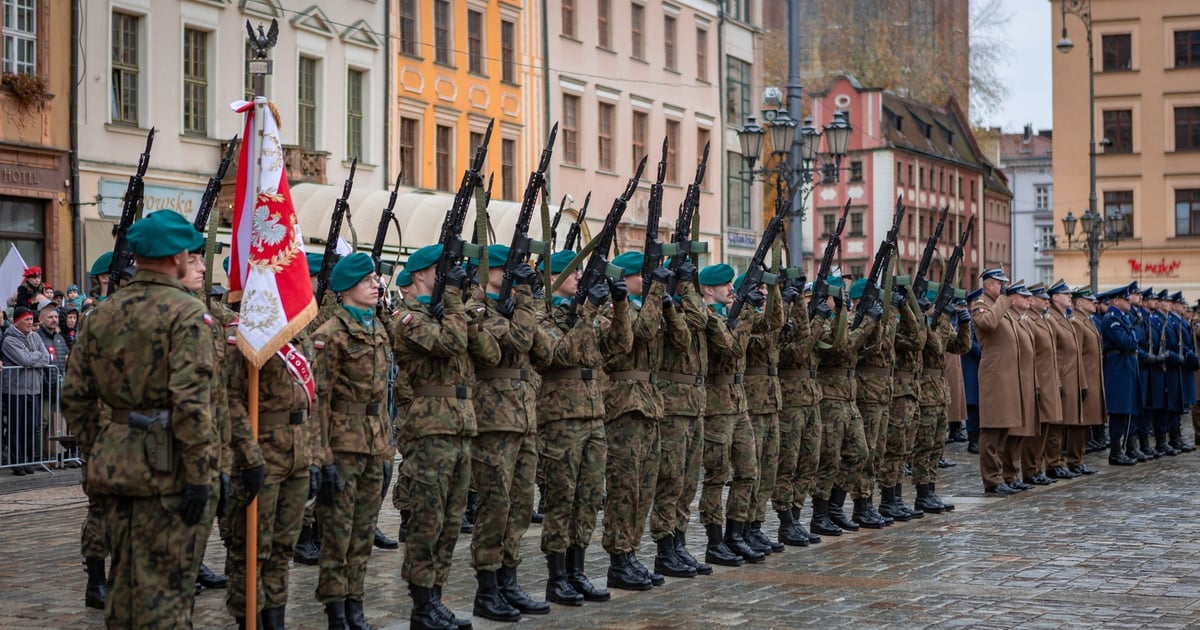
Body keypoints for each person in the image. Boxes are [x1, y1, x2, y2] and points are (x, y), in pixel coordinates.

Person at [62, 209, 219, 628]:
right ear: (177, 258)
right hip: (167, 469)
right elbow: (191, 404)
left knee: (124, 586)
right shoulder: (186, 313)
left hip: (115, 466)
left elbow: (75, 397)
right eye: (191, 253)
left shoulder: (101, 314)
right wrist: (200, 476)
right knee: (167, 590)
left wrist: (107, 443)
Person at [537, 250, 630, 606]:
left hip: (594, 416)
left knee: (589, 499)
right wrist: (588, 310)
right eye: (572, 275)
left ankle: (577, 571)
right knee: (562, 499)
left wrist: (619, 305)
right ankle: (556, 576)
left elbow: (621, 345)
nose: (580, 280)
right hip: (561, 419)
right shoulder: (543, 315)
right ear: (556, 278)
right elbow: (558, 355)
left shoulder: (587, 316)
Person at [465, 245, 552, 621]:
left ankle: (509, 580)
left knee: (520, 505)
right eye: (504, 271)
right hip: (493, 420)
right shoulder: (477, 310)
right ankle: (487, 588)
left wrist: (525, 302)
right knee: (495, 506)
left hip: (524, 418)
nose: (511, 276)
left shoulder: (516, 309)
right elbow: (517, 342)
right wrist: (525, 299)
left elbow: (543, 351)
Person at [312, 252, 395, 630]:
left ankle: (355, 602)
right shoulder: (330, 335)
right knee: (338, 534)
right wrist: (323, 457)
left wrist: (387, 447)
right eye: (367, 281)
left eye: (376, 279)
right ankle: (335, 608)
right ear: (347, 289)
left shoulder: (377, 327)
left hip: (375, 444)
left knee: (363, 532)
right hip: (343, 447)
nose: (376, 285)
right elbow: (319, 400)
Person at [601, 251, 674, 590]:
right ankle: (618, 558)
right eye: (643, 277)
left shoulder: (645, 307)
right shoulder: (614, 309)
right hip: (625, 405)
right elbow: (640, 334)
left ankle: (631, 552)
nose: (647, 282)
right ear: (627, 277)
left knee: (644, 488)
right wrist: (657, 290)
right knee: (624, 488)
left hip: (649, 403)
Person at [648, 259, 713, 574]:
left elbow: (700, 319)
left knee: (688, 483)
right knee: (670, 480)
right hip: (673, 406)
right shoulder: (666, 311)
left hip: (695, 405)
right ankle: (664, 550)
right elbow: (688, 332)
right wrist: (684, 288)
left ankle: (679, 543)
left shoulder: (688, 311)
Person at [971, 268, 1024, 494]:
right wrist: (1004, 300)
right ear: (989, 285)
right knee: (992, 429)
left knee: (1003, 428)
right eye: (999, 284)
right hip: (994, 376)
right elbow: (990, 324)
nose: (1002, 287)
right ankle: (992, 480)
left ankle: (1001, 475)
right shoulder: (980, 305)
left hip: (1006, 376)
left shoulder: (999, 305)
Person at [2, 305, 50, 474]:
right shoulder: (9, 340)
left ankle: (27, 461)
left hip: (34, 388)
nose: (31, 323)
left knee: (32, 426)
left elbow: (47, 358)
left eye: (31, 319)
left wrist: (33, 357)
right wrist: (34, 356)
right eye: (27, 320)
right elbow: (24, 359)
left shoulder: (35, 336)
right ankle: (17, 462)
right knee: (17, 427)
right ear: (17, 321)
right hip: (16, 390)